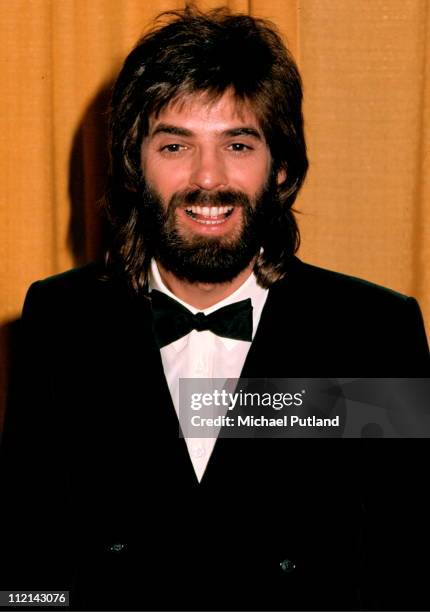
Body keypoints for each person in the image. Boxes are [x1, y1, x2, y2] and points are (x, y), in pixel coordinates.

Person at [1, 6, 429, 611]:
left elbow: (405, 571)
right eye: (175, 144)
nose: (208, 177)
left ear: (279, 168)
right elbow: (26, 565)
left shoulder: (373, 334)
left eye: (237, 143)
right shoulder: (61, 320)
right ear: (133, 165)